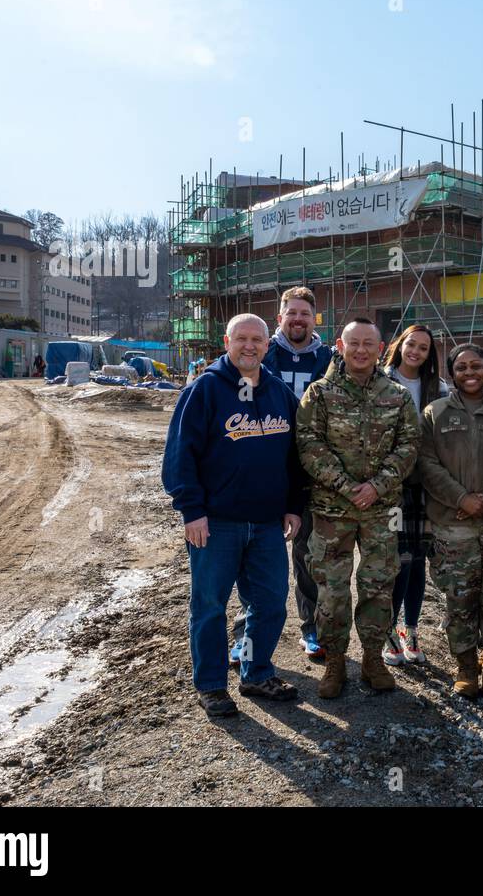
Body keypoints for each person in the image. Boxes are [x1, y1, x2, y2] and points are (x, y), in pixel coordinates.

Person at [161, 313, 305, 718]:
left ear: (266, 344)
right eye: (241, 338)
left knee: (271, 603)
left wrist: (294, 504)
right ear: (227, 342)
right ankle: (210, 685)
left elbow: (296, 457)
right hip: (216, 522)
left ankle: (257, 672)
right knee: (209, 604)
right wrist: (192, 510)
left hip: (266, 523)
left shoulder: (278, 392)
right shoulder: (204, 390)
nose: (249, 346)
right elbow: (179, 456)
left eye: (257, 340)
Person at [297, 318, 420, 699]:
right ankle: (335, 663)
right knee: (331, 589)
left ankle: (372, 658)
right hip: (332, 511)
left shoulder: (397, 395)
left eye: (369, 344)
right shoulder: (319, 394)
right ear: (340, 344)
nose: (361, 350)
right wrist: (349, 488)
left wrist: (377, 486)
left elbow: (409, 446)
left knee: (378, 585)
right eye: (354, 343)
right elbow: (308, 445)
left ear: (381, 348)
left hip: (381, 510)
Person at [229, 286, 334, 667]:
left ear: (314, 319)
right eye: (291, 313)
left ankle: (312, 628)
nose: (298, 319)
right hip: (264, 468)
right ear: (280, 318)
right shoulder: (261, 352)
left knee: (308, 554)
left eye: (305, 313)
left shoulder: (329, 359)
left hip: (309, 472)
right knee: (253, 556)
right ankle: (246, 637)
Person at [417, 343, 483, 698]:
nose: (469, 373)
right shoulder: (436, 412)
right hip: (453, 524)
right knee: (459, 600)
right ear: (452, 373)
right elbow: (426, 464)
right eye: (461, 368)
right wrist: (462, 499)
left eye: (476, 365)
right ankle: (464, 666)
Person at [382, 324, 449, 666]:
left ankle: (411, 628)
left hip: (424, 485)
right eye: (412, 344)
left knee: (419, 557)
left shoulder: (437, 388)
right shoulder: (382, 380)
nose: (416, 352)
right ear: (400, 345)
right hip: (391, 485)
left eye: (424, 348)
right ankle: (388, 629)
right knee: (397, 559)